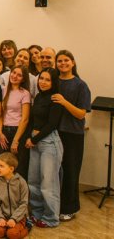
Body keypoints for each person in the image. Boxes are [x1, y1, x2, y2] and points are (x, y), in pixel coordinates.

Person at [54, 50, 91, 221]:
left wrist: (64, 102)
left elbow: (81, 114)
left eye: (66, 60)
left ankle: (69, 208)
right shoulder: (53, 81)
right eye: (59, 61)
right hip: (54, 133)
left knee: (70, 171)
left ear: (73, 63)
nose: (63, 63)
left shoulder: (80, 85)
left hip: (72, 134)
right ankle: (54, 205)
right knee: (54, 172)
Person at [25, 68, 64, 228]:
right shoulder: (39, 96)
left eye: (48, 80)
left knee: (48, 184)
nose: (43, 82)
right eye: (41, 78)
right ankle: (37, 213)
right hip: (35, 142)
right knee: (33, 182)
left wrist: (34, 139)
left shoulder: (56, 98)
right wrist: (30, 138)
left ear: (54, 82)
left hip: (49, 143)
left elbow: (52, 124)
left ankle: (51, 218)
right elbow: (33, 120)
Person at [0, 66, 30, 177]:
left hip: (18, 132)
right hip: (4, 132)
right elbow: (0, 114)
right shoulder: (3, 90)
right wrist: (0, 132)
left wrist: (16, 140)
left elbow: (25, 119)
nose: (15, 76)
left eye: (19, 75)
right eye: (14, 72)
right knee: (2, 164)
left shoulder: (25, 93)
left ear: (23, 79)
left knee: (18, 167)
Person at [0, 152, 29, 239]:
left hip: (18, 217)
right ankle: (7, 228)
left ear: (11, 169)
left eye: (1, 166)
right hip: (3, 216)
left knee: (12, 234)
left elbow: (24, 203)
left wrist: (14, 219)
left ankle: (27, 226)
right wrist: (0, 217)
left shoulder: (21, 182)